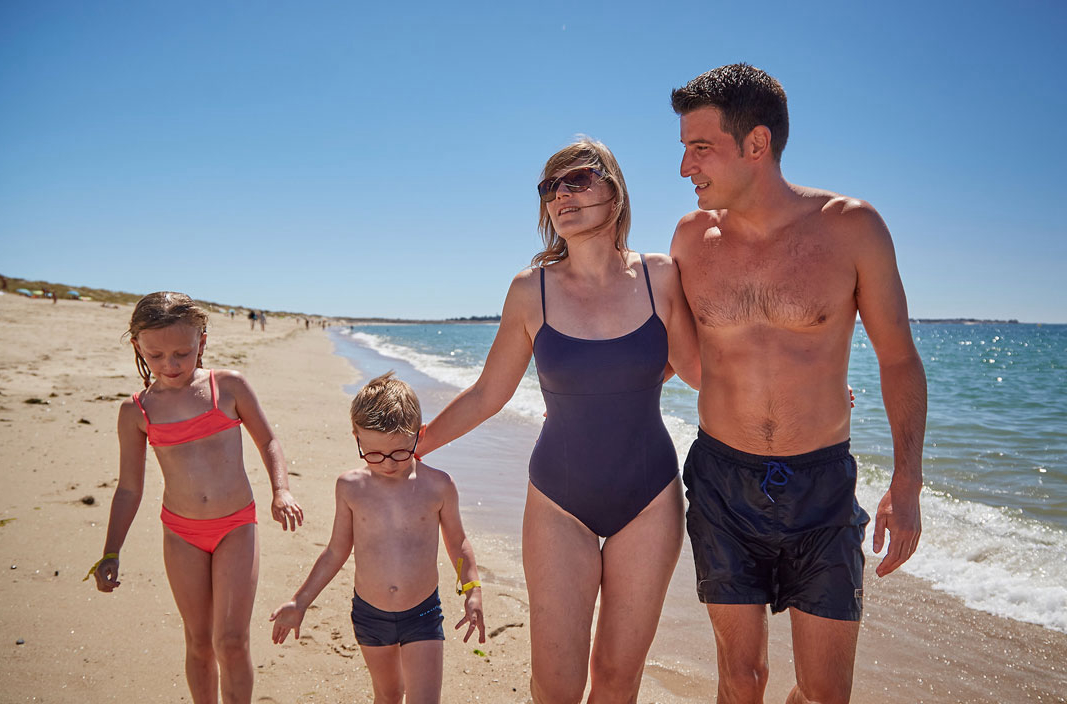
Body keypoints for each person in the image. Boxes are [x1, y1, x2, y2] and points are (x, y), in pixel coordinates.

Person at [669, 64, 928, 704]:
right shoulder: (688, 240)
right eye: (683, 149)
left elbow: (897, 359)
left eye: (700, 148)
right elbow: (677, 351)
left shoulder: (851, 228)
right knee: (742, 678)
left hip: (821, 489)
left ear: (756, 145)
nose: (684, 167)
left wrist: (907, 481)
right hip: (723, 482)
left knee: (824, 693)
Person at [415, 138, 700, 703]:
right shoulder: (530, 290)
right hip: (558, 502)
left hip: (649, 500)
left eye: (578, 180)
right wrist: (414, 446)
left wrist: (799, 397)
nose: (562, 195)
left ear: (615, 194)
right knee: (556, 685)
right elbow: (488, 395)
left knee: (618, 682)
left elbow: (701, 372)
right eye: (550, 187)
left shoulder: (661, 277)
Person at [87, 291, 305, 704]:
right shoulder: (136, 412)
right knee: (199, 642)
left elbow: (269, 440)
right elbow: (129, 488)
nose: (170, 365)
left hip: (235, 526)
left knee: (232, 640)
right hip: (182, 533)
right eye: (156, 355)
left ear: (202, 343)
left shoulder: (229, 387)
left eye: (182, 354)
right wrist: (111, 551)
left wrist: (281, 490)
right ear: (138, 348)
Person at [270, 372, 484, 704]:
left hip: (423, 613)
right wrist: (301, 601)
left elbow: (458, 542)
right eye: (373, 454)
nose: (386, 464)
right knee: (387, 695)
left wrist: (472, 589)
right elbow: (335, 551)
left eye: (399, 452)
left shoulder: (438, 486)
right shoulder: (351, 487)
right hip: (370, 615)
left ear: (420, 435)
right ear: (356, 438)